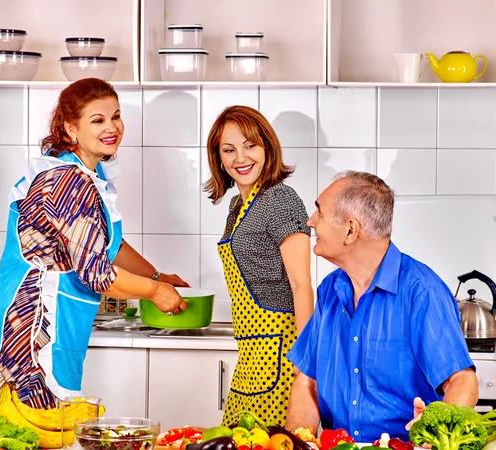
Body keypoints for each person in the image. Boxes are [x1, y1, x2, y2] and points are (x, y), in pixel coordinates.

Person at [0, 78, 189, 409]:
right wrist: (156, 293)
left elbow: (108, 246)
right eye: (97, 120)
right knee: (30, 437)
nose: (112, 127)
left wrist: (157, 277)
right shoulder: (68, 182)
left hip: (34, 320)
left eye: (116, 116)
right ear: (71, 127)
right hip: (30, 330)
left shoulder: (79, 172)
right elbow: (98, 275)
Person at [285, 171, 478, 441]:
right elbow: (308, 383)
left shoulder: (422, 292)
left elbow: (463, 380)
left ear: (350, 230)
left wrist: (437, 432)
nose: (310, 221)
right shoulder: (330, 290)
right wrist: (296, 442)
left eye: (319, 212)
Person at [204, 105, 314, 426]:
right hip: (250, 357)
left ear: (267, 146)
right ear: (219, 159)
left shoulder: (279, 199)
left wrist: (304, 363)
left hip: (281, 354)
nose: (241, 158)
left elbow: (301, 285)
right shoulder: (238, 204)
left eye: (250, 146)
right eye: (229, 150)